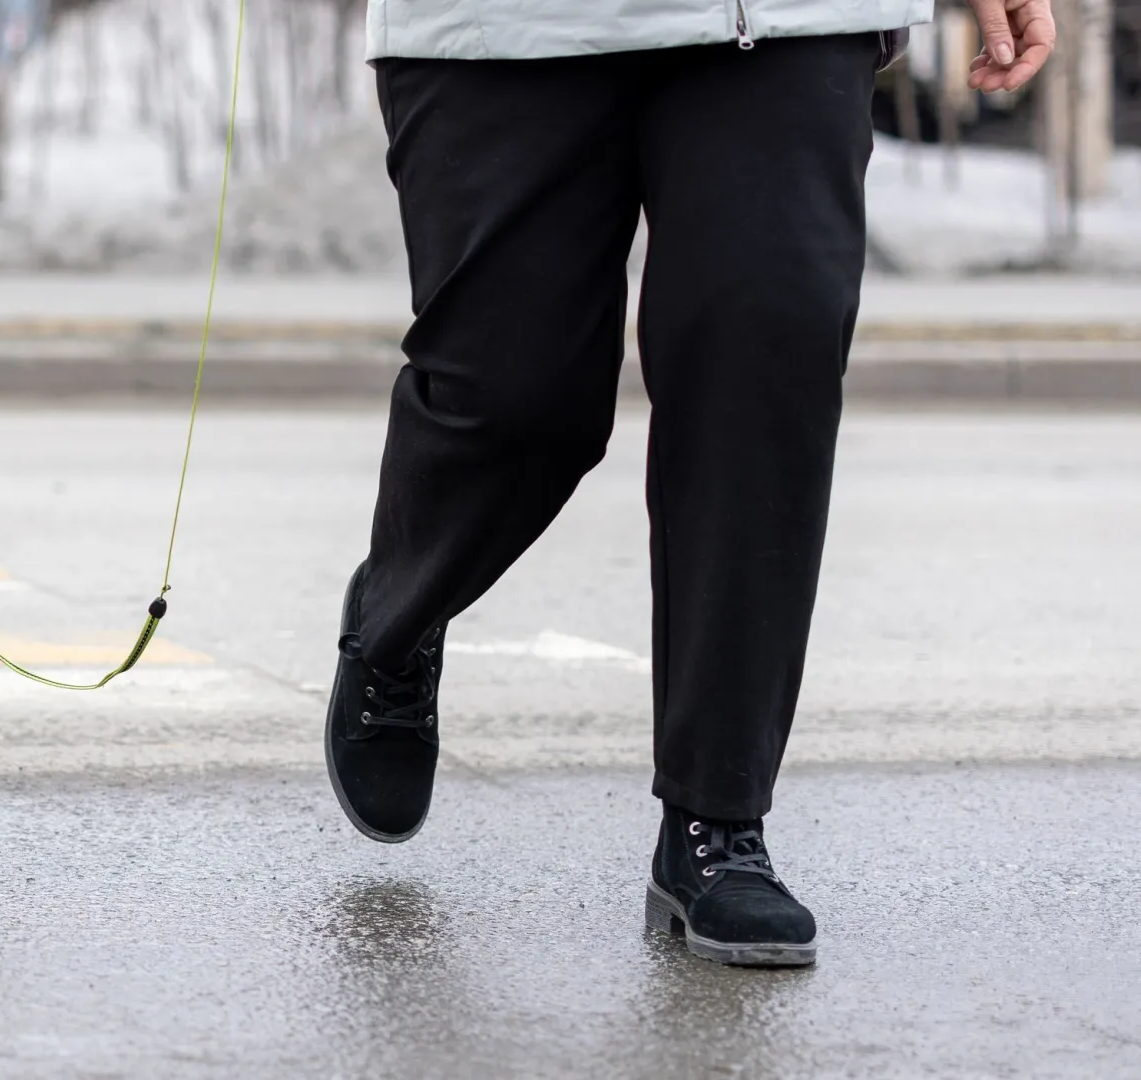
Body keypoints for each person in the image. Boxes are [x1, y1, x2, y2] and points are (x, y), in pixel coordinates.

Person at [326, 0, 1054, 966]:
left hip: (783, 21)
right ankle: (396, 617)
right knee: (514, 396)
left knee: (766, 359)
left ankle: (717, 825)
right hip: (501, 27)